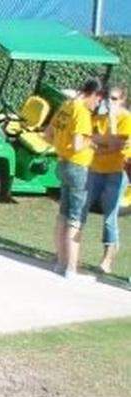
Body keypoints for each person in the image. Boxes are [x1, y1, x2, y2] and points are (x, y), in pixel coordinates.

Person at [46, 78, 103, 279]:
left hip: (62, 163)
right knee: (76, 218)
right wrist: (93, 140)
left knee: (63, 213)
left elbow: (48, 133)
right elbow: (79, 144)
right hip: (79, 167)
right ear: (93, 94)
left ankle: (60, 263)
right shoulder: (82, 113)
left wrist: (62, 146)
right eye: (98, 100)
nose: (97, 105)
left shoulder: (66, 105)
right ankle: (71, 268)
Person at [87, 86, 129, 275]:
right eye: (107, 98)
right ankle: (67, 252)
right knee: (81, 208)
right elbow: (89, 138)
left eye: (113, 99)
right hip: (95, 169)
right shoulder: (99, 116)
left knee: (109, 217)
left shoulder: (126, 119)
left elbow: (116, 144)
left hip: (116, 171)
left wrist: (103, 141)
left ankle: (107, 260)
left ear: (122, 100)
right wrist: (102, 143)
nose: (109, 102)